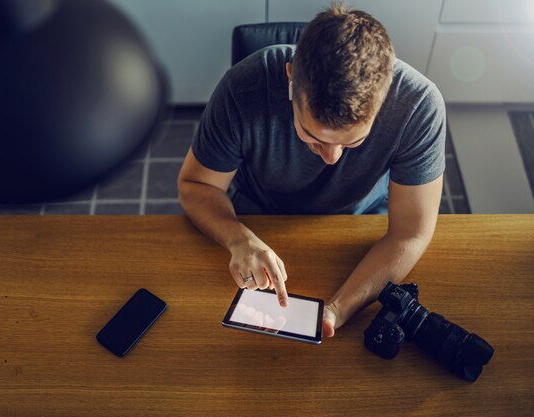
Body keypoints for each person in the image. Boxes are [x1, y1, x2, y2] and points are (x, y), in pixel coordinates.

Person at [177, 3, 445, 338]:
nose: (331, 158)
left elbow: (409, 233)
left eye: (352, 141)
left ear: (387, 95)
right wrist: (238, 239)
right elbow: (195, 184)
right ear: (290, 79)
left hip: (358, 231)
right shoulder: (242, 87)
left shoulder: (419, 106)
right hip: (257, 220)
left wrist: (338, 310)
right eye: (312, 135)